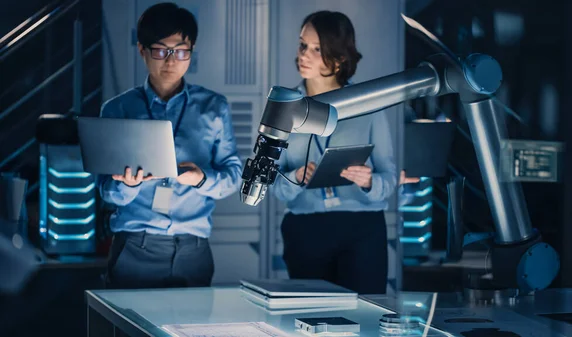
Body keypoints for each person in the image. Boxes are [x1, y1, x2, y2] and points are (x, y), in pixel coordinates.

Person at [97, 3, 242, 289]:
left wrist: (202, 179)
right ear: (142, 50)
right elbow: (106, 190)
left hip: (193, 248)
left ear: (191, 51)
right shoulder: (118, 109)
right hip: (135, 246)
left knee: (192, 332)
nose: (171, 61)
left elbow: (234, 174)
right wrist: (128, 185)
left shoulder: (213, 107)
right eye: (161, 50)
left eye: (181, 51)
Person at [272, 11, 400, 295]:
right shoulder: (283, 107)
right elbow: (273, 185)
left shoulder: (368, 105)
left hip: (361, 229)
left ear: (340, 58)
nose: (304, 55)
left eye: (317, 49)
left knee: (365, 317)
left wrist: (369, 181)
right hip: (306, 229)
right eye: (303, 45)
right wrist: (295, 177)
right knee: (312, 320)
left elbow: (389, 177)